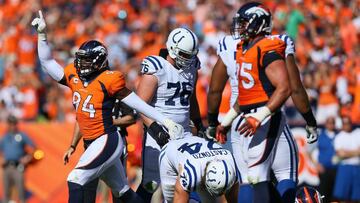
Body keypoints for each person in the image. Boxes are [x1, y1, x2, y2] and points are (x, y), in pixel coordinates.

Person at [32, 10, 183, 203]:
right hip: (92, 143)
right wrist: (42, 35)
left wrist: (164, 120)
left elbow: (137, 103)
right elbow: (47, 62)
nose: (81, 63)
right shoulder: (74, 75)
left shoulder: (109, 79)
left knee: (75, 178)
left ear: (98, 61)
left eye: (86, 59)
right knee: (123, 193)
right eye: (81, 58)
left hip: (107, 139)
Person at [211, 2, 293, 203]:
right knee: (251, 176)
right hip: (247, 119)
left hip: (260, 117)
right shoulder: (244, 50)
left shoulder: (267, 48)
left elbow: (285, 87)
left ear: (258, 23)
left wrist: (259, 116)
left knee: (255, 174)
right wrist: (226, 122)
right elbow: (245, 97)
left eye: (245, 22)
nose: (240, 27)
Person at [135, 27, 205, 202]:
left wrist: (198, 123)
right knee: (151, 184)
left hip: (184, 133)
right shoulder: (157, 67)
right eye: (184, 54)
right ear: (172, 49)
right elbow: (139, 105)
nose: (188, 59)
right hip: (157, 133)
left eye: (191, 55)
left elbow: (192, 98)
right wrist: (156, 128)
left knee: (188, 179)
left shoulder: (192, 67)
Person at [159, 136, 238, 202]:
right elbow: (179, 197)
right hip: (169, 152)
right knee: (171, 200)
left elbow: (232, 200)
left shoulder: (231, 163)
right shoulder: (192, 172)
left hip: (194, 148)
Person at [0, 115, 36, 203]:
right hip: (7, 167)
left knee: (21, 192)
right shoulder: (4, 137)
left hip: (18, 167)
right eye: (10, 123)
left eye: (14, 123)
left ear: (16, 124)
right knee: (6, 194)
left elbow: (34, 148)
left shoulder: (22, 135)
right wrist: (1, 159)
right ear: (8, 124)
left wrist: (27, 158)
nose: (12, 126)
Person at [333, 116, 360, 202]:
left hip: (357, 166)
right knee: (343, 196)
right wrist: (355, 153)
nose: (347, 125)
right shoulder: (339, 137)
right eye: (344, 123)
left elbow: (344, 153)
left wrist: (346, 153)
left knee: (356, 196)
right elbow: (340, 154)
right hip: (345, 167)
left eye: (348, 123)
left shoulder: (358, 133)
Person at [314, 117, 337, 203]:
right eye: (329, 123)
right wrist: (317, 164)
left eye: (332, 123)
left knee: (334, 192)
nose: (331, 125)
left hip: (336, 169)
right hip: (324, 169)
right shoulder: (320, 136)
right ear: (326, 124)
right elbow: (308, 151)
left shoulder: (338, 135)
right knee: (323, 192)